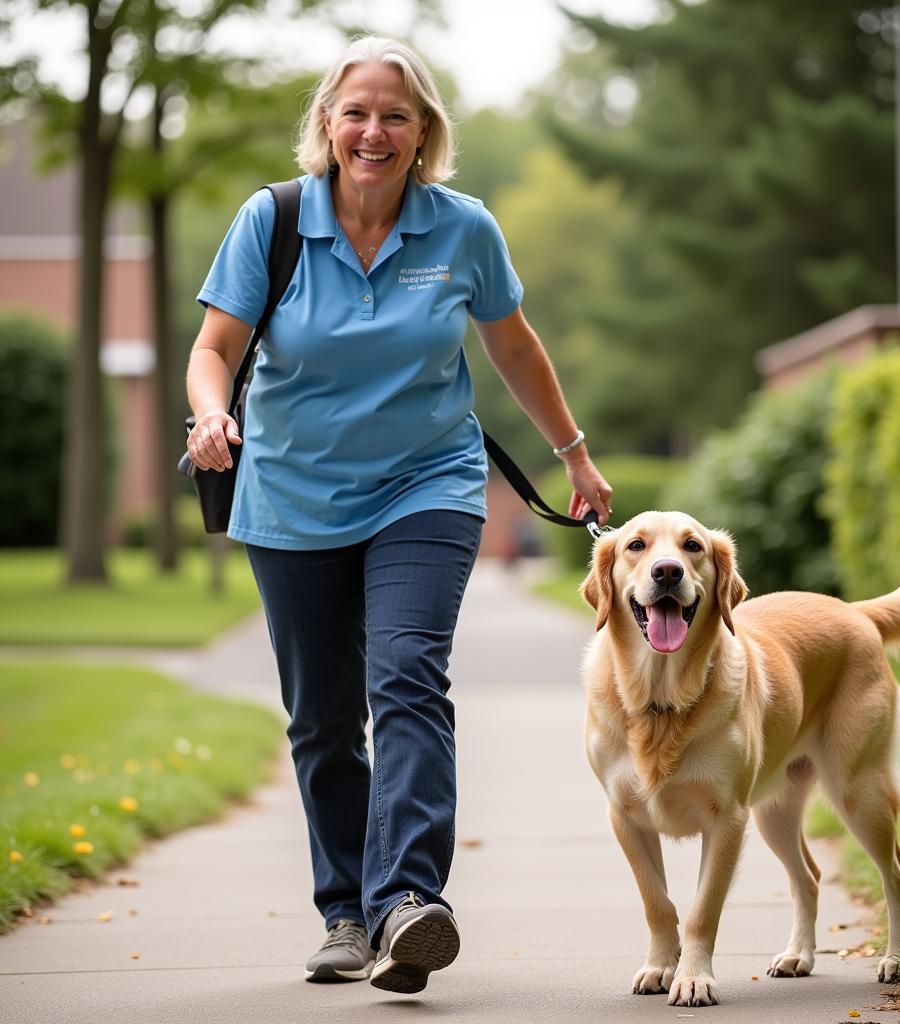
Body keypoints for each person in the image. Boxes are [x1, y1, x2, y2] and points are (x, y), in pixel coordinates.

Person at [185, 35, 612, 996]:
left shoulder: (462, 230)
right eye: (356, 112)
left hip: (427, 483)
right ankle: (347, 913)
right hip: (292, 496)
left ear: (424, 134)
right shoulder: (275, 221)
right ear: (328, 126)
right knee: (324, 719)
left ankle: (410, 901)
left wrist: (574, 456)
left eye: (395, 115)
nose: (373, 130)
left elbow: (513, 348)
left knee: (408, 677)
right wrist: (212, 413)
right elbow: (214, 346)